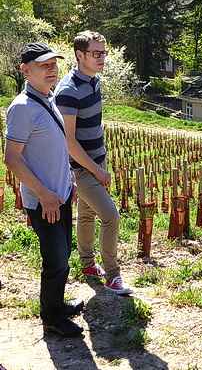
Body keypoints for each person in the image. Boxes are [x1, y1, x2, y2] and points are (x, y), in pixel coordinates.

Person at [5, 42, 84, 337]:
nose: (52, 69)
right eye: (43, 65)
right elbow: (12, 159)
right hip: (44, 200)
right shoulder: (23, 108)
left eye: (53, 64)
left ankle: (57, 306)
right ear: (25, 70)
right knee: (56, 260)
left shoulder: (48, 99)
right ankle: (51, 318)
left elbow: (54, 147)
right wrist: (44, 194)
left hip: (59, 194)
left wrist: (69, 181)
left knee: (62, 257)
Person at [55, 31, 132, 295]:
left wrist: (102, 159)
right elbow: (69, 142)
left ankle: (88, 265)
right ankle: (113, 275)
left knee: (87, 215)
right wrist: (97, 170)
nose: (102, 58)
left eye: (104, 52)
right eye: (96, 53)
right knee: (110, 216)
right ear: (79, 55)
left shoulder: (93, 81)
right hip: (80, 167)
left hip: (97, 159)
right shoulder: (68, 91)